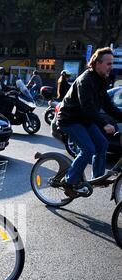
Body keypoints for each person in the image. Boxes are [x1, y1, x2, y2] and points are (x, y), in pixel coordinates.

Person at [57, 47, 122, 196]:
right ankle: (69, 182)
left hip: (84, 120)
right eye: (108, 63)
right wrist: (104, 124)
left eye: (112, 63)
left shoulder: (101, 80)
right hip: (70, 120)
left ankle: (97, 178)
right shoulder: (85, 80)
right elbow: (88, 108)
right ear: (97, 63)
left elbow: (108, 106)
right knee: (88, 149)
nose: (111, 67)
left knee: (102, 144)